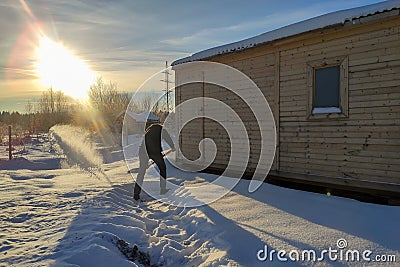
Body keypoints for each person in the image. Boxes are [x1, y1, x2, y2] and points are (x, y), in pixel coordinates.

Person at [134, 121, 175, 201]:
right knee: (162, 169)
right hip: (155, 152)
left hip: (143, 151)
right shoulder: (162, 129)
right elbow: (168, 138)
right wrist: (172, 147)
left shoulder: (148, 130)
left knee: (141, 172)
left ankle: (136, 194)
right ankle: (163, 189)